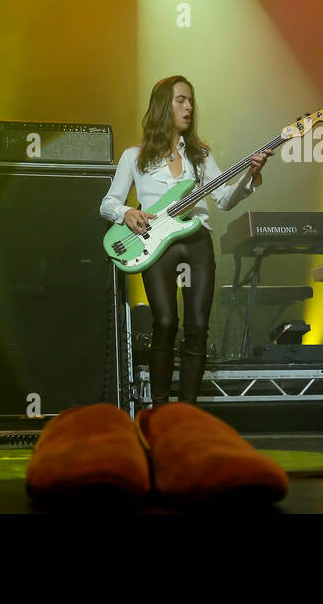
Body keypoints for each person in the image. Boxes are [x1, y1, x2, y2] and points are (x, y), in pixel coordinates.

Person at [100, 76, 271, 406]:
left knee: (197, 325)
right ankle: (161, 408)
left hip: (195, 240)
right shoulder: (134, 156)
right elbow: (107, 202)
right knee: (165, 321)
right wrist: (126, 214)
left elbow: (222, 200)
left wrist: (250, 176)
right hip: (154, 243)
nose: (189, 106)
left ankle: (187, 410)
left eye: (191, 100)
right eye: (181, 100)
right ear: (164, 105)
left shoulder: (200, 155)